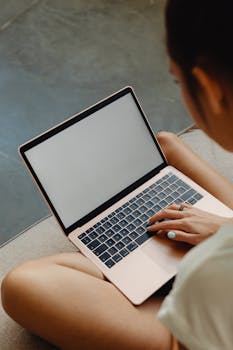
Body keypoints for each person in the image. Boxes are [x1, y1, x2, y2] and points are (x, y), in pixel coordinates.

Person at [2, 0, 233, 348]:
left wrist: (218, 244)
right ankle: (121, 256)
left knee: (22, 283)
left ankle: (120, 262)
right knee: (167, 145)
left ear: (210, 88)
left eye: (176, 80)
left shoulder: (208, 271)